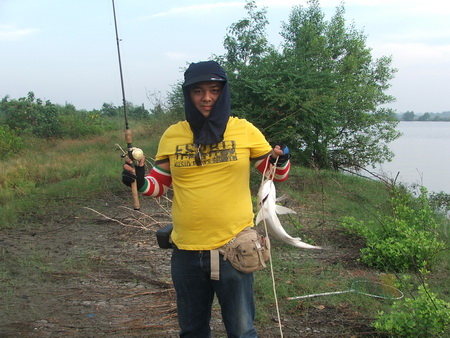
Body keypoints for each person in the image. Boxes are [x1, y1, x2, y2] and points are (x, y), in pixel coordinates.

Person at [122, 61, 291, 337]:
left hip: (235, 250)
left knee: (242, 331)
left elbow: (274, 174)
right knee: (192, 331)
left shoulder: (244, 130)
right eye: (198, 91)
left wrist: (281, 157)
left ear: (223, 93)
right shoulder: (173, 135)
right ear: (188, 94)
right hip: (186, 253)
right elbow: (158, 186)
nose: (207, 97)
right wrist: (138, 179)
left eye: (214, 90)